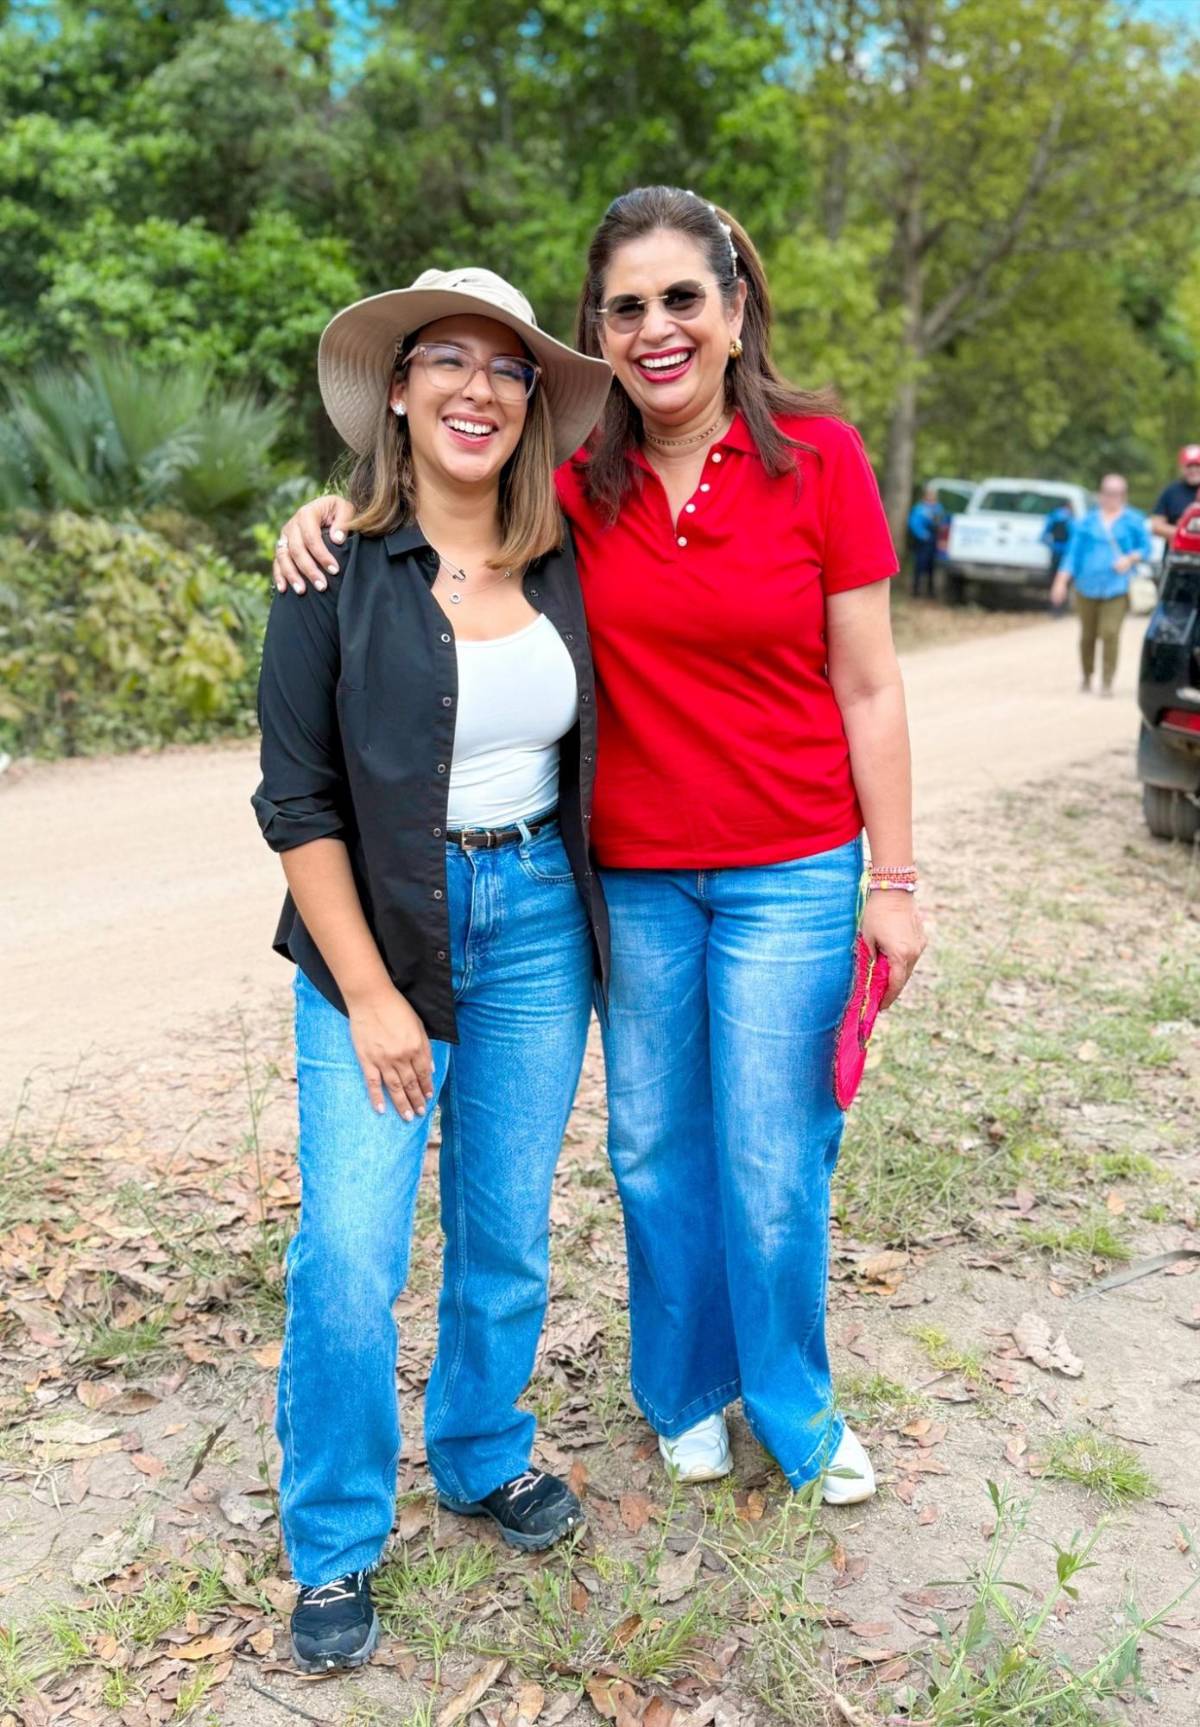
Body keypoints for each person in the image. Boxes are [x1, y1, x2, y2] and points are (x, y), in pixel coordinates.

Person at [273, 186, 926, 1510]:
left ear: (736, 310)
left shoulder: (821, 459)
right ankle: (683, 1389)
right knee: (647, 1150)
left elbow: (870, 685)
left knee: (771, 1152)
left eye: (683, 297)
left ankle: (793, 1404)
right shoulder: (576, 486)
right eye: (625, 308)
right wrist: (318, 513)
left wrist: (897, 878)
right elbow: (432, 514)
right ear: (602, 334)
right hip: (624, 878)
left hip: (789, 868)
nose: (656, 326)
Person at [254, 268, 612, 1673]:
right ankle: (336, 1536)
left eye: (507, 367)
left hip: (535, 918)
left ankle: (478, 1446)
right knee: (349, 1250)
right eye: (445, 360)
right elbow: (297, 803)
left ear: (531, 403)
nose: (477, 386)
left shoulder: (573, 554)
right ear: (397, 390)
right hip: (376, 936)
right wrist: (374, 991)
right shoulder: (330, 562)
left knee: (506, 1224)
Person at [1049, 473, 1151, 696]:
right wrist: (1061, 581)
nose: (1111, 498)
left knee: (1110, 632)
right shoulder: (1086, 521)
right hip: (1086, 585)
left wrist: (1130, 558)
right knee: (1087, 635)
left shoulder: (1133, 520)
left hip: (1117, 586)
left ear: (1124, 495)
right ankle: (1087, 676)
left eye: (1116, 494)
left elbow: (1146, 548)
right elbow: (1072, 554)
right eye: (1107, 493)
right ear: (1100, 494)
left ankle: (1107, 681)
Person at [1148, 444, 1200, 544]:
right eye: (1189, 466)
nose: (1193, 470)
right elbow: (1155, 525)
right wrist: (1183, 533)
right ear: (1182, 468)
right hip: (1177, 554)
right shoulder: (1171, 492)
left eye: (1197, 465)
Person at [907, 484, 944, 598]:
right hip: (923, 541)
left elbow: (943, 522)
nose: (931, 498)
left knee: (932, 566)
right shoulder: (920, 508)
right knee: (919, 565)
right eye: (929, 496)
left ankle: (930, 591)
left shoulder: (938, 508)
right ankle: (916, 590)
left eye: (933, 496)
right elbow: (913, 523)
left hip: (934, 540)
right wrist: (923, 535)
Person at [1040, 499, 1075, 615]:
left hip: (1055, 553)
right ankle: (1061, 608)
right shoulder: (1070, 519)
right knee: (1064, 582)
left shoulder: (1052, 517)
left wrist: (1052, 546)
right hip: (1066, 555)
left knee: (1054, 581)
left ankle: (1053, 608)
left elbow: (1043, 537)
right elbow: (1074, 538)